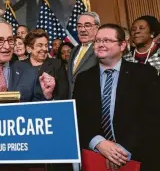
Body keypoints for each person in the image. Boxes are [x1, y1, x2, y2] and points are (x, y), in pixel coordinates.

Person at [73, 24, 159, 170]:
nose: (100, 44)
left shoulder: (144, 74)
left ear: (122, 45)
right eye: (98, 41)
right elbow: (78, 118)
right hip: (96, 157)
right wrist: (99, 143)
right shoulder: (83, 79)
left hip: (139, 157)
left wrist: (121, 152)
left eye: (106, 40)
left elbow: (152, 118)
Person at [24, 29, 68, 100]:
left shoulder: (57, 64)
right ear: (29, 49)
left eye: (46, 45)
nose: (44, 49)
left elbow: (63, 94)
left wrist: (49, 96)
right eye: (40, 45)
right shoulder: (19, 66)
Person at [67, 12, 100, 98]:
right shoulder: (74, 50)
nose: (82, 29)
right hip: (73, 102)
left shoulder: (101, 49)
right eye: (79, 26)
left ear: (97, 28)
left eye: (87, 25)